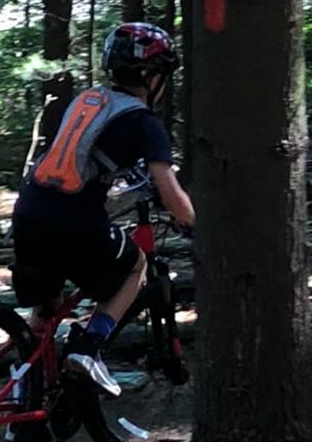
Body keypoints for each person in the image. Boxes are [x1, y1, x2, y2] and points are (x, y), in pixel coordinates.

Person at [10, 21, 196, 396]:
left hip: (28, 210)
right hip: (73, 222)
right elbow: (171, 192)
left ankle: (23, 395)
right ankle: (89, 347)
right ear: (150, 76)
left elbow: (82, 161)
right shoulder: (144, 121)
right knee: (136, 265)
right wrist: (191, 220)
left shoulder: (87, 101)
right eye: (161, 74)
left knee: (46, 310)